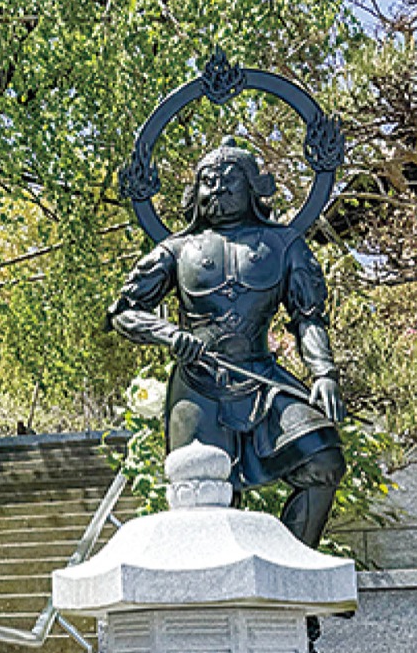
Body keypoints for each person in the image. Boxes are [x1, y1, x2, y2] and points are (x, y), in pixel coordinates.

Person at [109, 137, 346, 550]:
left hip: (261, 376)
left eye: (229, 179)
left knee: (323, 459)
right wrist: (170, 335)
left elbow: (308, 316)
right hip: (198, 385)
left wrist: (323, 372)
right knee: (203, 490)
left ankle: (291, 569)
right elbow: (124, 311)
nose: (217, 188)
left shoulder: (284, 245)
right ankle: (215, 583)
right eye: (208, 180)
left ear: (253, 187)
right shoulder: (176, 250)